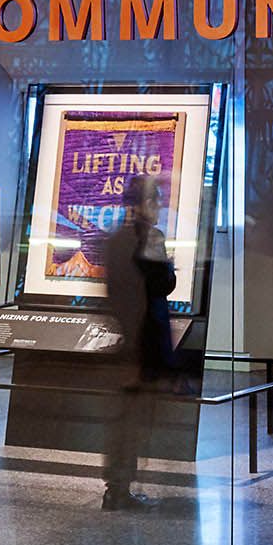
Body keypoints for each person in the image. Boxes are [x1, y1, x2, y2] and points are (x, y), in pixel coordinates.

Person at [99, 174, 176, 512]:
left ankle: (116, 486)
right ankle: (120, 488)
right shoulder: (152, 239)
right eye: (155, 200)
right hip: (145, 341)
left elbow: (114, 290)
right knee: (133, 419)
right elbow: (164, 284)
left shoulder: (114, 240)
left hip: (127, 339)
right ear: (142, 205)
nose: (159, 206)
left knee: (122, 417)